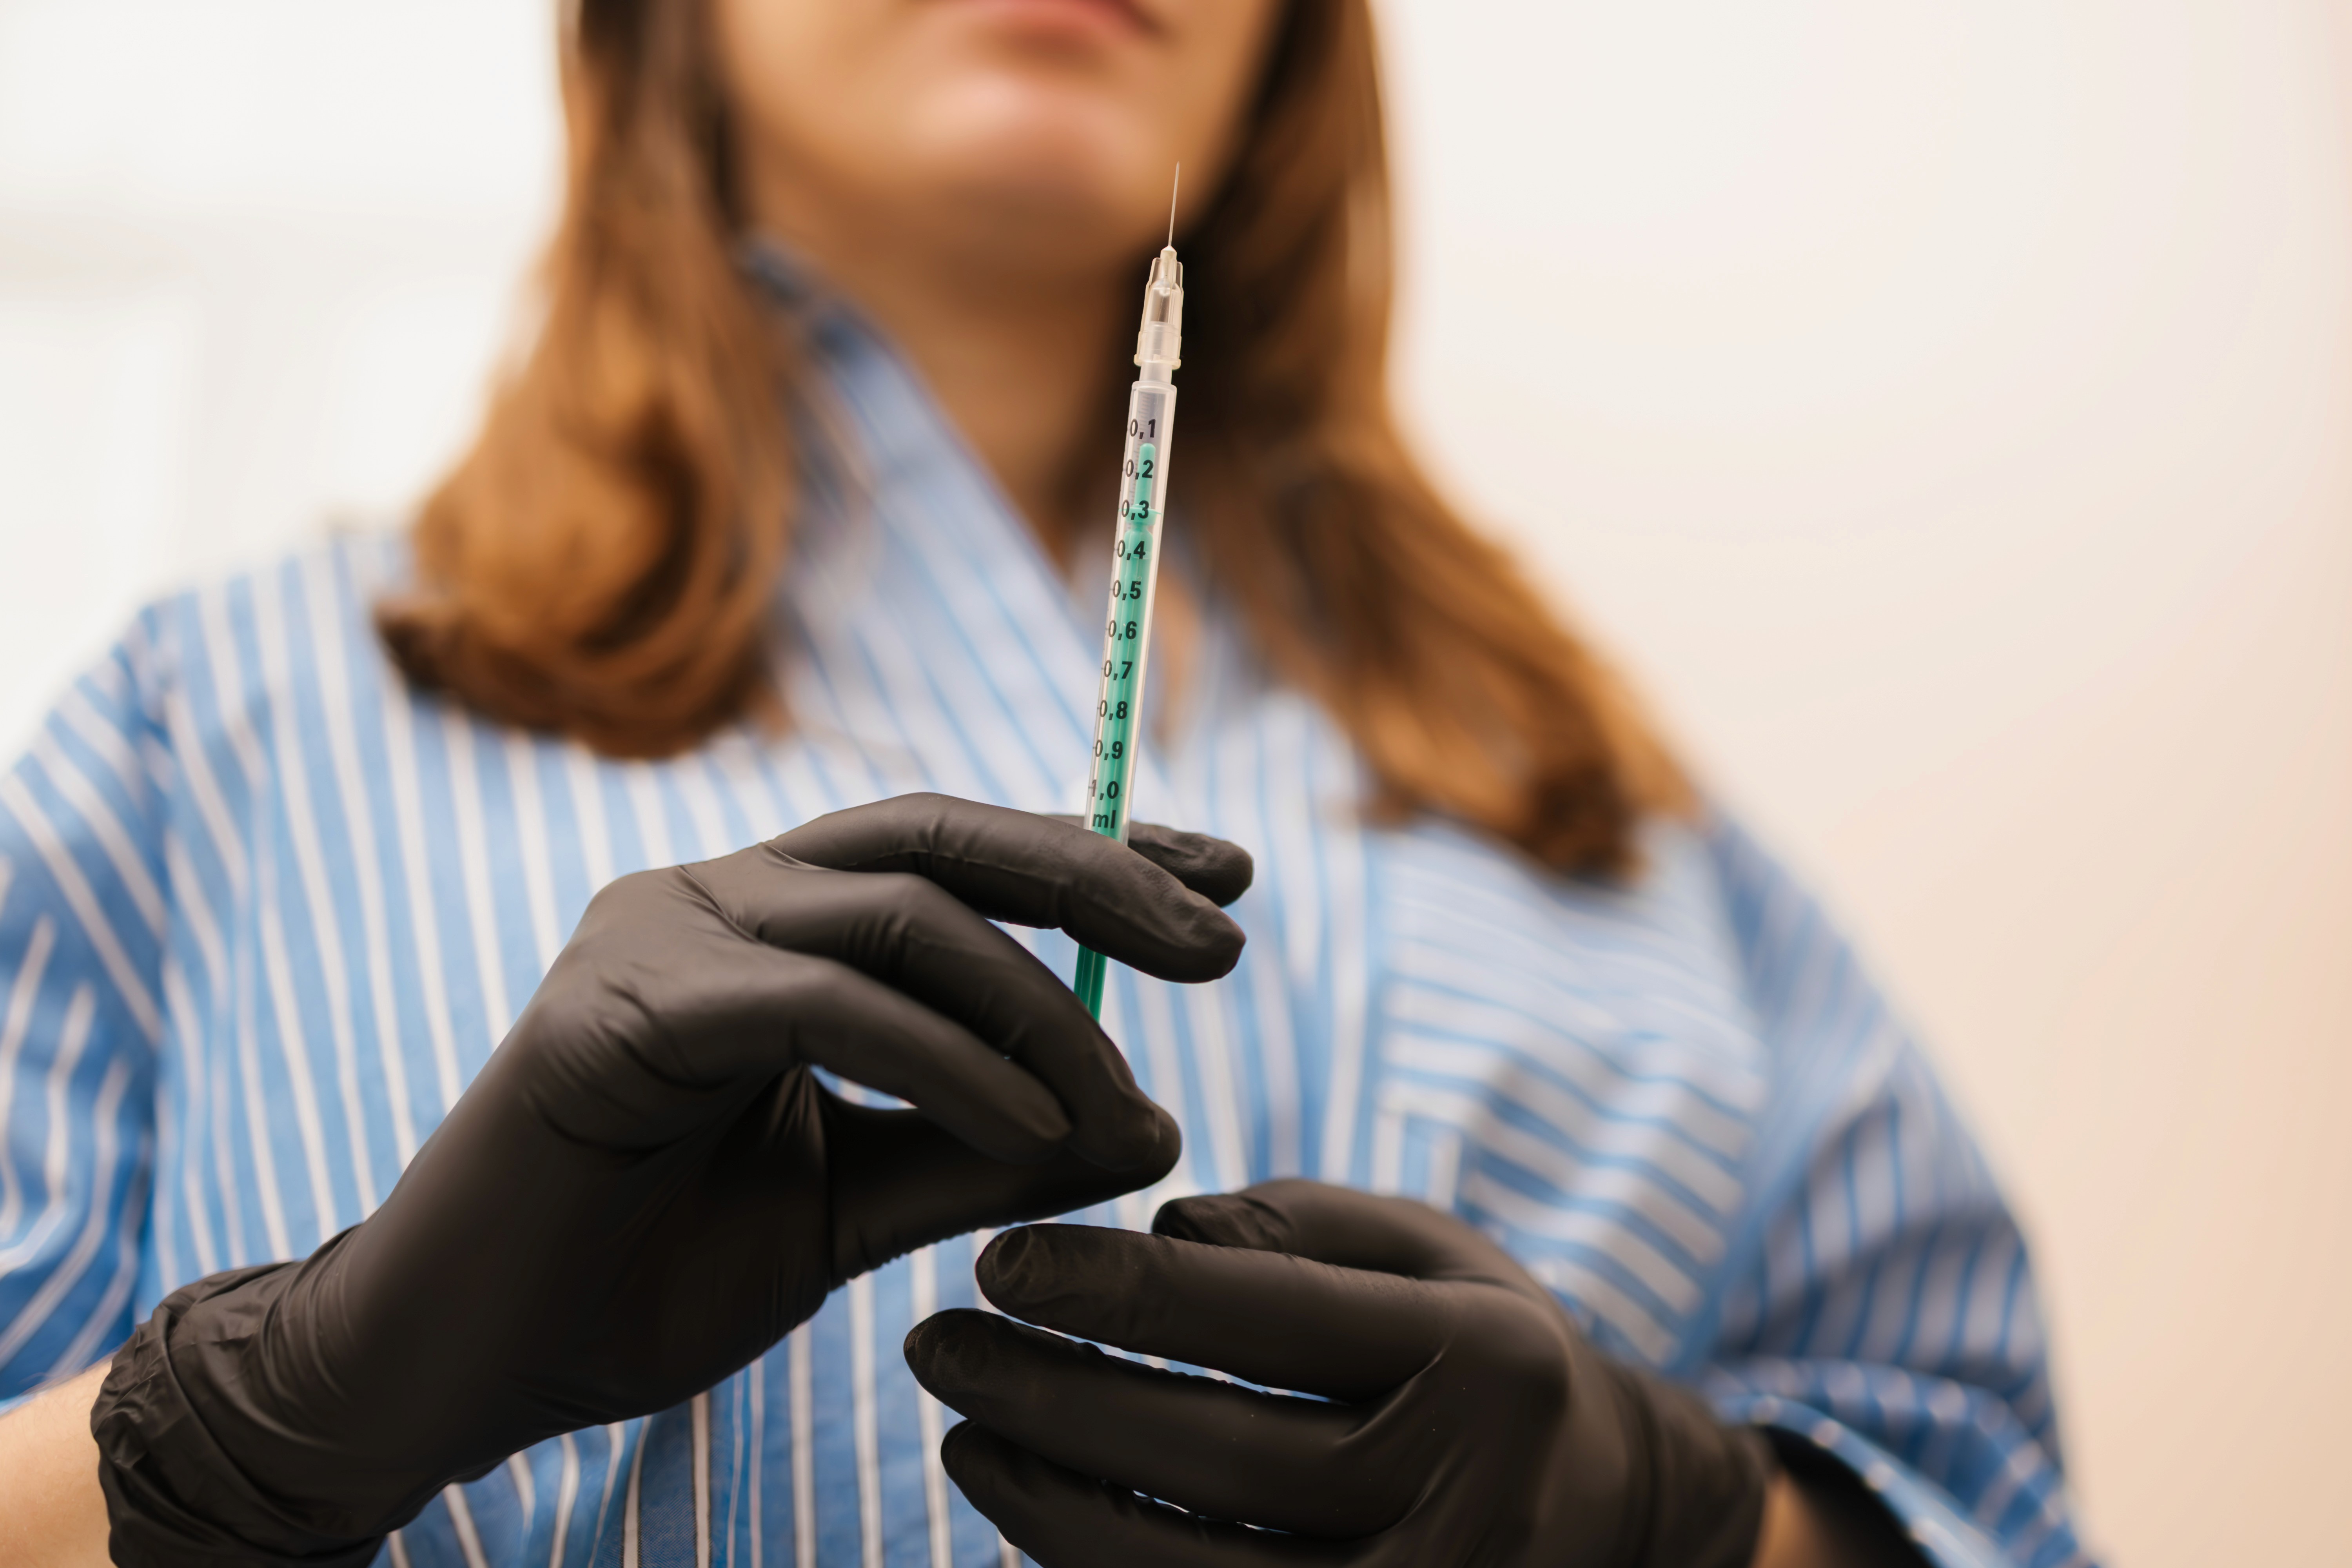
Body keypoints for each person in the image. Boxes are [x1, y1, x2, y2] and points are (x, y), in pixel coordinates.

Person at [0, 1, 2093, 1565]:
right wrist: (270, 1413)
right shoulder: (228, 722)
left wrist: (1688, 1522)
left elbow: (1993, 1491)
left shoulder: (1597, 812)